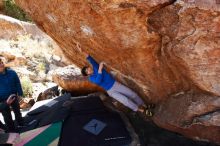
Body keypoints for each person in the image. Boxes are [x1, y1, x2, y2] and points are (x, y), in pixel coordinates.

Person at [77, 44, 153, 116]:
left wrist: (81, 50)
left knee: (132, 94)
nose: (88, 70)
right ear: (87, 74)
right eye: (87, 72)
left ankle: (145, 106)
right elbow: (98, 80)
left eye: (87, 69)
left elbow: (89, 57)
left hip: (115, 84)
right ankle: (142, 110)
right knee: (125, 101)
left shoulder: (95, 66)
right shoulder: (91, 78)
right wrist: (100, 69)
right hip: (110, 91)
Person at [0, 57, 24, 132]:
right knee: (7, 116)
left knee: (17, 111)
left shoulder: (12, 72)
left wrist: (20, 93)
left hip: (13, 96)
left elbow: (17, 82)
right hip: (3, 99)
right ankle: (12, 130)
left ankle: (21, 124)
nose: (1, 64)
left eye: (1, 63)